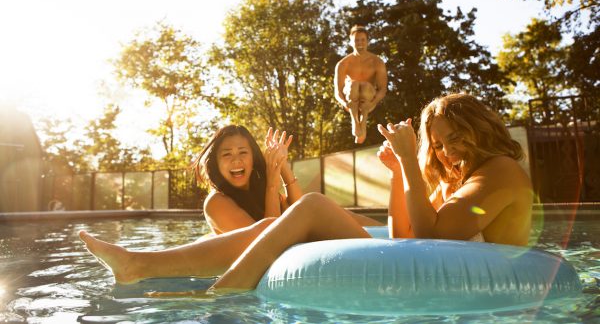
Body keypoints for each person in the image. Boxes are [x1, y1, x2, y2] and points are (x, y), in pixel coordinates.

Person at [79, 93, 532, 294]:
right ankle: (143, 266)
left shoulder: (501, 170)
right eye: (441, 143)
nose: (449, 151)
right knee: (297, 217)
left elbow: (434, 238)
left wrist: (412, 165)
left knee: (310, 208)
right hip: (433, 261)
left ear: (481, 129)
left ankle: (216, 288)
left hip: (458, 278)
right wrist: (400, 174)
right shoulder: (465, 179)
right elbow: (408, 233)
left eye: (456, 138)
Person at [193, 125, 301, 234]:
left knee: (313, 200)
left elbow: (300, 210)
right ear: (216, 163)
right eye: (227, 154)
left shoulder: (259, 190)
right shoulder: (215, 202)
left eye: (243, 152)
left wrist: (281, 162)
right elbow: (267, 242)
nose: (236, 160)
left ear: (253, 158)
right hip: (265, 249)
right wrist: (272, 186)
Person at [334, 25, 387, 144]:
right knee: (354, 84)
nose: (360, 43)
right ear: (351, 42)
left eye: (363, 40)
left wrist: (372, 103)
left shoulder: (377, 62)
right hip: (351, 100)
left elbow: (382, 89)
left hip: (368, 98)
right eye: (356, 40)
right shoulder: (343, 63)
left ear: (367, 41)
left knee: (365, 86)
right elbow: (338, 92)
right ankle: (355, 120)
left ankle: (363, 122)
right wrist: (345, 103)